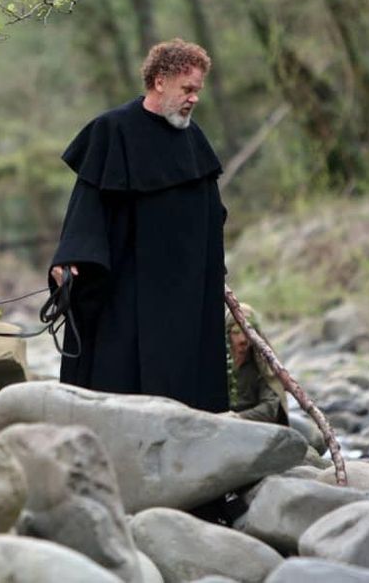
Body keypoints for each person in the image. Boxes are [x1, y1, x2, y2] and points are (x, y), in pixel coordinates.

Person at [49, 38, 228, 413]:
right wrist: (71, 258)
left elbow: (213, 214)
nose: (194, 98)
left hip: (182, 289)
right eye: (187, 89)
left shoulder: (194, 140)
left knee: (183, 385)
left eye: (197, 90)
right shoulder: (112, 130)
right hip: (123, 283)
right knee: (117, 376)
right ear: (160, 81)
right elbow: (87, 205)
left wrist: (214, 273)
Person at [225, 302, 289, 425]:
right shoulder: (215, 364)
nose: (243, 339)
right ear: (227, 334)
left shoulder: (263, 365)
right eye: (236, 332)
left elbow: (271, 408)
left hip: (253, 427)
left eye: (247, 332)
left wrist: (237, 417)